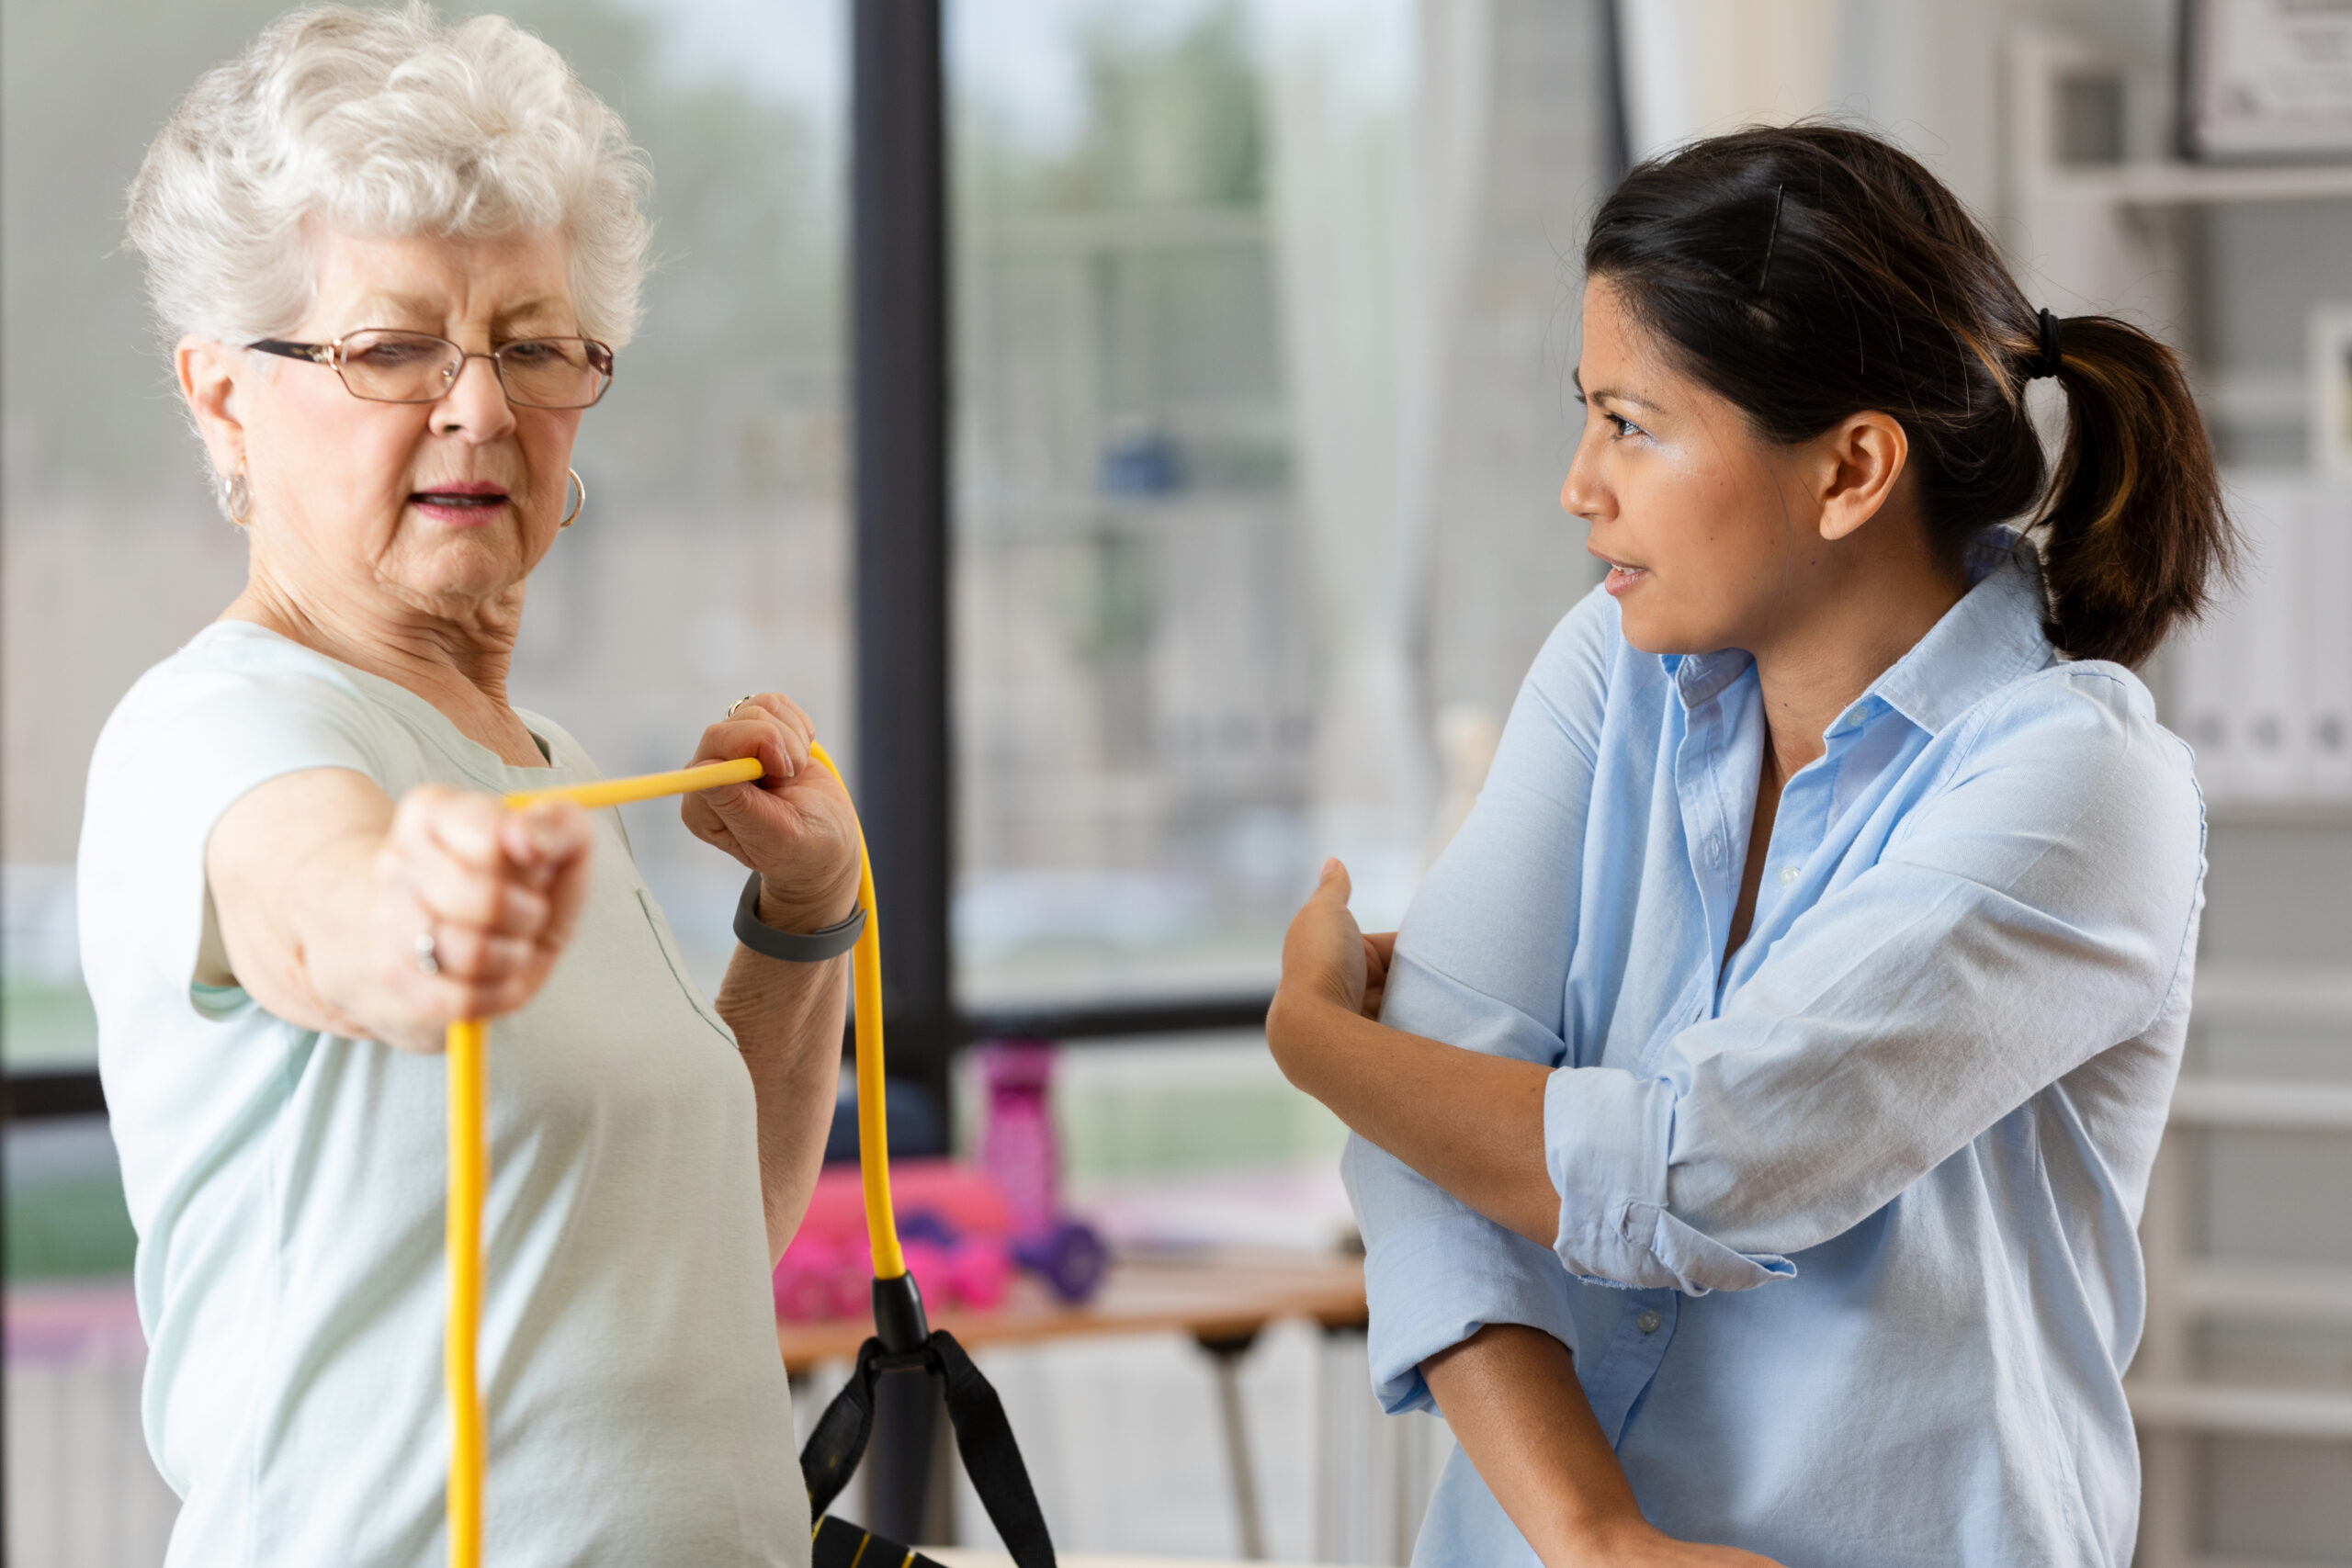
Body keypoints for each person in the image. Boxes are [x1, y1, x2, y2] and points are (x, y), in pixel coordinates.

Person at [1269, 124, 2230, 1567]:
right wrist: (1591, 1535)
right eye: (1587, 415)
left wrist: (1317, 1037)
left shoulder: (2084, 789)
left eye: (1634, 425)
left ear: (1850, 470)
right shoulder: (1613, 665)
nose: (1580, 483)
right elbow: (1436, 1153)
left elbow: (1701, 1170)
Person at [80, 7, 851, 1562]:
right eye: (392, 346)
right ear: (224, 391)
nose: (482, 407)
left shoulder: (548, 769)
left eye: (534, 344)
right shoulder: (214, 728)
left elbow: (694, 1248)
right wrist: (411, 926)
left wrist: (804, 917)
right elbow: (325, 905)